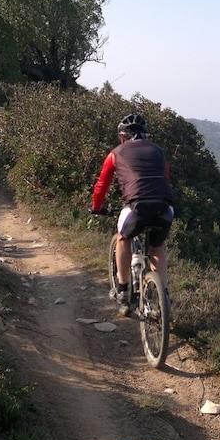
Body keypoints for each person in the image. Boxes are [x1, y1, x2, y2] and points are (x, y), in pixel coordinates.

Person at [89, 114, 174, 315]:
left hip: (137, 207)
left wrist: (96, 207)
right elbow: (166, 179)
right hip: (165, 207)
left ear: (122, 136)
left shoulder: (115, 153)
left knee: (123, 238)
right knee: (157, 246)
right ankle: (163, 296)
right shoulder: (159, 152)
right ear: (146, 135)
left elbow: (101, 186)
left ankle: (124, 290)